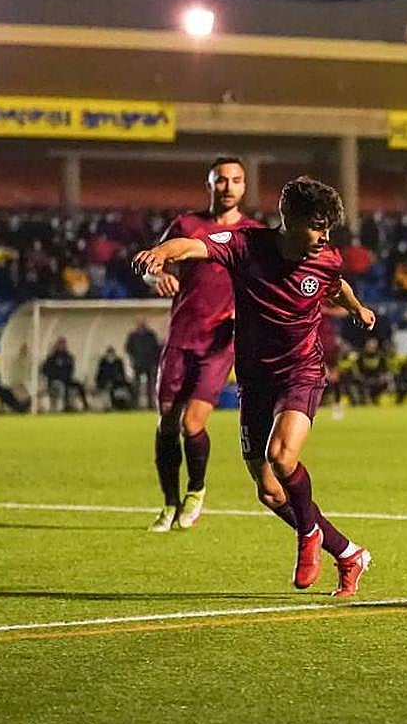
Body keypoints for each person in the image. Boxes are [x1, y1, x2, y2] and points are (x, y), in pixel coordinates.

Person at [133, 175, 375, 597]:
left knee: (281, 456)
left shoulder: (326, 257)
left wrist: (357, 307)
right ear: (290, 218)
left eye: (329, 228)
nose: (324, 237)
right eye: (318, 226)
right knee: (268, 490)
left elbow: (337, 287)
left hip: (302, 370)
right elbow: (195, 245)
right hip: (255, 378)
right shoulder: (246, 245)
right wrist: (159, 253)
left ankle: (308, 537)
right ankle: (350, 553)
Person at [145, 157, 264, 534]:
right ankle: (168, 503)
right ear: (209, 184)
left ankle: (196, 490)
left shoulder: (255, 236)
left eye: (236, 180)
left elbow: (267, 286)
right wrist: (158, 276)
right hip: (181, 336)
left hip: (220, 341)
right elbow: (153, 264)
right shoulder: (185, 226)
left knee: (192, 423)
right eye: (221, 180)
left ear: (244, 187)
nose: (229, 186)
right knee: (166, 423)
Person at [41, 338, 87, 412]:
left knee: (79, 385)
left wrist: (66, 374)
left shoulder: (68, 357)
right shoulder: (51, 358)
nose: (62, 346)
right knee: (63, 386)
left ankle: (85, 404)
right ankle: (66, 406)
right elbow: (44, 370)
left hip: (66, 379)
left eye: (63, 344)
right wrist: (54, 376)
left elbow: (71, 369)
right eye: (60, 344)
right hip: (55, 380)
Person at [125, 319, 161, 410]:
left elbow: (156, 348)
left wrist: (154, 360)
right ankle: (135, 404)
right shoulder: (133, 336)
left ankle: (151, 404)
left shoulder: (151, 335)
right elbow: (128, 348)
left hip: (149, 363)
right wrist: (133, 358)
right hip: (138, 363)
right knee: (136, 385)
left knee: (150, 385)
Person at [95, 346, 135, 410]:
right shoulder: (103, 362)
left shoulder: (118, 362)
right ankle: (113, 405)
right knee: (110, 388)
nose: (111, 356)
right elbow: (100, 375)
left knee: (129, 386)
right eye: (109, 354)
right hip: (105, 382)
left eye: (112, 354)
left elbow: (122, 373)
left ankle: (131, 403)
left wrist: (122, 380)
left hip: (116, 381)